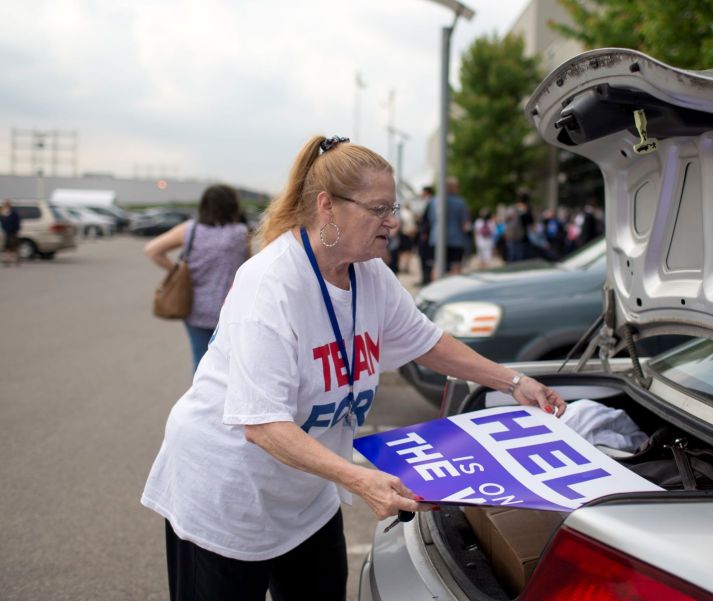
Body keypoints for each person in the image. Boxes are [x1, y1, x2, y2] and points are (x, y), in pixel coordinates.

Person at [140, 135, 565, 601]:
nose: (394, 221)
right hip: (227, 493)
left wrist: (515, 381)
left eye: (394, 207)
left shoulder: (369, 273)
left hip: (305, 495)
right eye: (379, 209)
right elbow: (262, 425)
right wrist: (359, 478)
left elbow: (429, 343)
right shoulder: (270, 284)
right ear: (328, 207)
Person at [144, 185, 250, 372]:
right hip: (230, 309)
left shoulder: (190, 230)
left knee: (201, 361)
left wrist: (176, 270)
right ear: (233, 206)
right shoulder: (240, 233)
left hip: (195, 307)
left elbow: (152, 250)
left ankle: (201, 398)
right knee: (231, 364)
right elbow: (248, 268)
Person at [427, 177, 470, 277]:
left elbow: (431, 219)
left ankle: (435, 289)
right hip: (456, 239)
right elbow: (464, 224)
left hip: (436, 237)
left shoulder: (434, 201)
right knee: (456, 267)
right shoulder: (460, 202)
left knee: (436, 265)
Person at [417, 186, 434, 286]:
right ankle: (425, 278)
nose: (421, 194)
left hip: (426, 235)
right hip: (426, 234)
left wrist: (424, 232)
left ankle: (426, 279)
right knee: (424, 257)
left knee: (425, 257)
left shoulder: (430, 203)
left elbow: (428, 220)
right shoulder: (427, 203)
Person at [1, 199, 22, 267]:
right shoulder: (4, 213)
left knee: (14, 246)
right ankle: (8, 260)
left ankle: (17, 258)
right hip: (7, 232)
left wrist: (16, 230)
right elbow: (3, 222)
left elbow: (17, 222)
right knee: (7, 246)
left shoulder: (13, 213)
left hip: (13, 232)